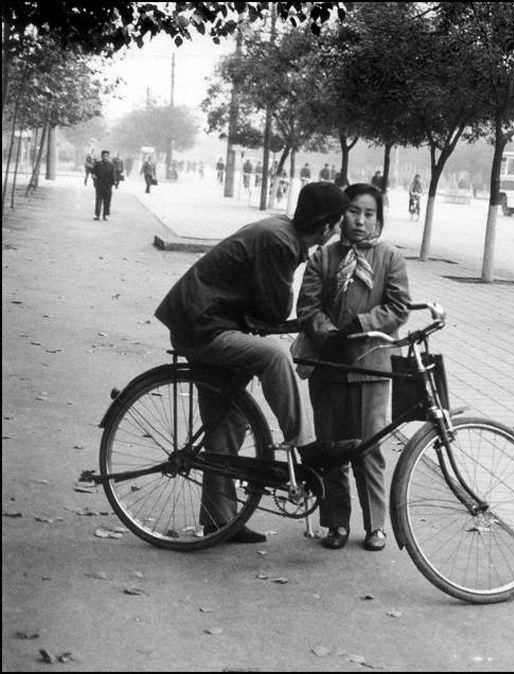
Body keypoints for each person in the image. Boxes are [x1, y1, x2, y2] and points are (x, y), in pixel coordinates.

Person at [155, 182, 351, 544]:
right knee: (274, 356)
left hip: (201, 320)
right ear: (325, 226)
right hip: (203, 327)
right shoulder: (281, 242)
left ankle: (219, 520)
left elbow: (266, 310)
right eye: (338, 223)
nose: (339, 230)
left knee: (229, 422)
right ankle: (307, 446)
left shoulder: (280, 231)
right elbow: (274, 310)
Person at [296, 183, 411, 551]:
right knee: (331, 447)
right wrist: (328, 334)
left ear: (378, 218)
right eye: (353, 212)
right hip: (327, 364)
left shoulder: (389, 257)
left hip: (371, 367)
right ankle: (335, 522)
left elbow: (398, 307)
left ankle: (375, 524)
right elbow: (307, 307)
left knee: (369, 447)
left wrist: (359, 326)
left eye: (369, 213)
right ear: (341, 214)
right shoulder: (323, 258)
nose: (360, 221)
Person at [91, 150, 116, 221]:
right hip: (99, 185)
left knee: (107, 201)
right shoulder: (98, 164)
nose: (105, 157)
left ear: (108, 156)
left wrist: (114, 183)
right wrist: (95, 181)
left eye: (107, 156)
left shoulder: (111, 165)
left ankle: (105, 215)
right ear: (101, 156)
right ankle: (97, 215)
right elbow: (93, 174)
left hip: (108, 186)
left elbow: (113, 176)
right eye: (104, 156)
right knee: (98, 200)